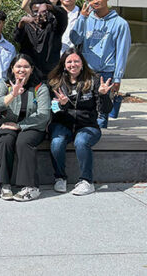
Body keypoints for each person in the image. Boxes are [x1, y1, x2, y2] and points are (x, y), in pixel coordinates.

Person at [47, 49, 113, 196]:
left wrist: (103, 95)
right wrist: (63, 105)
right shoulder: (55, 83)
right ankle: (60, 177)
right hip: (63, 124)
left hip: (87, 126)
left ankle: (86, 181)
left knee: (81, 142)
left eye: (76, 61)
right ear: (64, 65)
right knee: (57, 142)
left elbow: (106, 110)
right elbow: (53, 112)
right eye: (69, 61)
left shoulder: (93, 81)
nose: (73, 64)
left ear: (82, 63)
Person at [69, 0, 131, 128]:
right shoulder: (85, 19)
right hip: (85, 72)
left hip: (106, 73)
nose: (95, 1)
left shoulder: (120, 24)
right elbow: (75, 39)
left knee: (102, 111)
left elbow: (122, 52)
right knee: (84, 109)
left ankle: (102, 141)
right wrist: (82, 18)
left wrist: (117, 78)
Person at [0, 54, 51, 201]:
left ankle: (31, 187)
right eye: (18, 66)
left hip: (33, 126)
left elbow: (43, 115)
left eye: (26, 66)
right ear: (12, 68)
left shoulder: (40, 87)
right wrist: (12, 94)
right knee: (5, 141)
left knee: (23, 142)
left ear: (32, 69)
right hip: (7, 123)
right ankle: (5, 185)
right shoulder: (4, 85)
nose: (21, 69)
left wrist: (19, 126)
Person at [14, 0, 67, 75]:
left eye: (43, 11)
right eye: (35, 11)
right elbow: (17, 38)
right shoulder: (26, 25)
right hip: (31, 74)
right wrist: (21, 24)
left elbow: (62, 15)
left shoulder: (55, 25)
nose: (39, 14)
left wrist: (50, 7)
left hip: (51, 73)